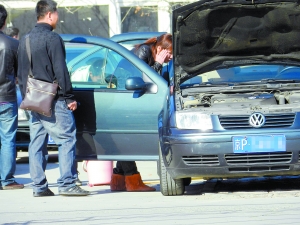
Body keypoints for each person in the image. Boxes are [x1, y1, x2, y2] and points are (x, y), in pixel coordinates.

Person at [17, 0, 89, 197]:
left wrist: (27, 98)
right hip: (54, 99)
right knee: (66, 138)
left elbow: (21, 73)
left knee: (37, 142)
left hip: (33, 100)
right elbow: (61, 70)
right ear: (50, 15)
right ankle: (67, 183)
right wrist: (69, 97)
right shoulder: (53, 38)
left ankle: (39, 186)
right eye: (57, 13)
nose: (58, 17)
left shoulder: (25, 39)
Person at [110, 33, 173, 192]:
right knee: (125, 138)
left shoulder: (150, 52)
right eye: (169, 52)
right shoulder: (144, 51)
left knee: (124, 137)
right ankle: (132, 180)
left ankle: (118, 179)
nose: (171, 56)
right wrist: (158, 63)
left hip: (126, 96)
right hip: (123, 97)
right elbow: (146, 79)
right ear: (160, 48)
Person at [0, 5, 24, 190]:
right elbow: (20, 73)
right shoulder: (13, 44)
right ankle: (7, 180)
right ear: (5, 21)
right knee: (8, 139)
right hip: (6, 96)